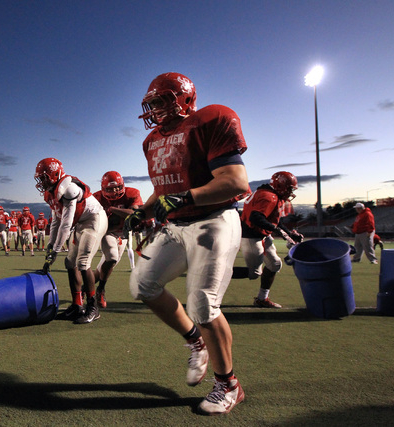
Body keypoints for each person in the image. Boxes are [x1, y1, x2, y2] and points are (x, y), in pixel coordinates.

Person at [124, 72, 250, 415]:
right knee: (142, 284)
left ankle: (229, 385)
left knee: (202, 302)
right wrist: (143, 211)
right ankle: (196, 341)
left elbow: (236, 182)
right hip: (177, 225)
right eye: (152, 103)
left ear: (184, 98)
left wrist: (185, 197)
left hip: (214, 219)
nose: (154, 109)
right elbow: (163, 189)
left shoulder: (212, 118)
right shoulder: (151, 141)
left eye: (162, 100)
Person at [35, 157, 108, 324]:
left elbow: (66, 224)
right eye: (40, 178)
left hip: (94, 219)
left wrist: (56, 250)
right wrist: (50, 246)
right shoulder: (51, 193)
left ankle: (93, 307)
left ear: (54, 173)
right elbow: (56, 221)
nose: (41, 181)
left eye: (44, 177)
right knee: (70, 263)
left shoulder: (68, 189)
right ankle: (77, 306)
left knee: (83, 263)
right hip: (81, 222)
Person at [232, 172, 303, 308]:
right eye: (288, 188)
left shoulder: (273, 195)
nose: (290, 192)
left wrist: (288, 233)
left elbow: (274, 220)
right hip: (251, 235)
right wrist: (277, 230)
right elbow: (256, 217)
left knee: (275, 264)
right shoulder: (268, 196)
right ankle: (215, 273)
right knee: (254, 273)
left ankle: (261, 299)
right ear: (279, 185)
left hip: (261, 234)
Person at [92, 171, 143, 308]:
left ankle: (86, 289)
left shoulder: (131, 193)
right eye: (109, 189)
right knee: (112, 257)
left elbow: (134, 214)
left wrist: (112, 209)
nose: (114, 191)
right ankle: (100, 290)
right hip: (107, 232)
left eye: (117, 187)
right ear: (103, 189)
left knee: (101, 269)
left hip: (123, 235)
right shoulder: (96, 197)